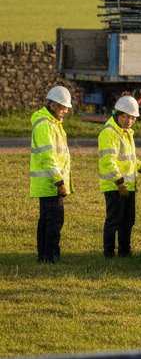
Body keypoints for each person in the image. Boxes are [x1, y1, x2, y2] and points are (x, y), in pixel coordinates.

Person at [29, 86, 74, 263]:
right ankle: (50, 257)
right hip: (50, 183)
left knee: (47, 221)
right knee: (53, 222)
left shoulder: (52, 123)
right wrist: (59, 181)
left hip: (49, 182)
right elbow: (47, 157)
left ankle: (45, 256)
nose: (65, 111)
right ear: (53, 105)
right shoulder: (45, 125)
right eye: (63, 107)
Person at [98, 95, 141, 259]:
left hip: (128, 186)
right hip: (115, 186)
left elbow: (129, 158)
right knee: (114, 221)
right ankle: (109, 253)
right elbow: (109, 162)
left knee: (128, 221)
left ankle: (125, 251)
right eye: (125, 116)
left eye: (132, 117)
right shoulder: (108, 133)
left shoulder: (127, 133)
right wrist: (119, 183)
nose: (129, 120)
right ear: (117, 114)